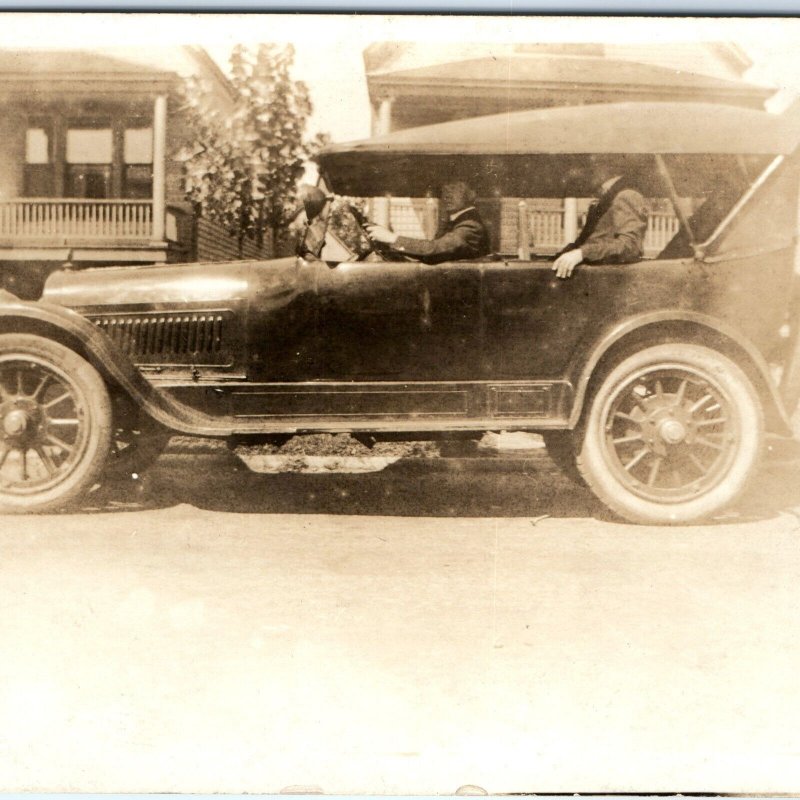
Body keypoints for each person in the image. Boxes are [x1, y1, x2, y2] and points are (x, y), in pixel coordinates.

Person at [552, 162, 647, 279]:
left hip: (608, 282)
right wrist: (568, 252)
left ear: (610, 166)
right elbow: (589, 240)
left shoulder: (627, 195)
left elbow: (630, 246)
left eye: (593, 165)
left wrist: (582, 253)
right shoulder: (607, 198)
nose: (586, 171)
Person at [365, 181, 491, 264]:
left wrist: (392, 238)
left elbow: (434, 250)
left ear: (471, 194)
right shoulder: (455, 221)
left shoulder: (471, 225)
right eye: (445, 189)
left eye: (454, 188)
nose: (447, 195)